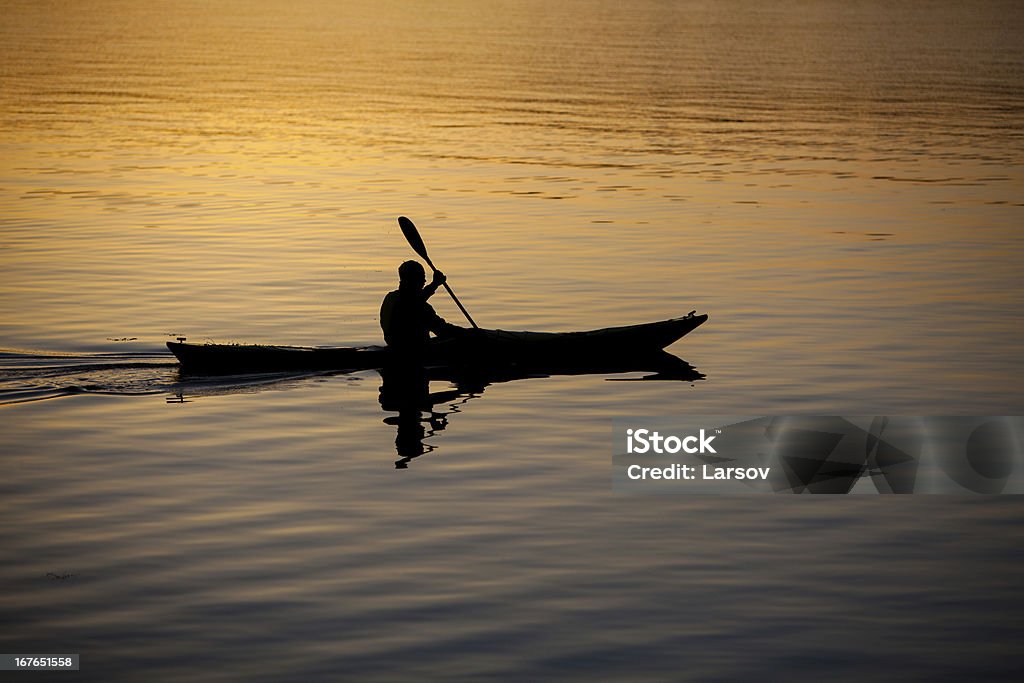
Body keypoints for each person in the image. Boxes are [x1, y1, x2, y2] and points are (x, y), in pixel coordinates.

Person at [380, 260, 463, 354]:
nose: (424, 281)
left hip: (395, 346)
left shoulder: (390, 298)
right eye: (422, 277)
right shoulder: (419, 307)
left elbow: (412, 300)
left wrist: (435, 284)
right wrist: (470, 334)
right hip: (415, 349)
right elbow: (442, 330)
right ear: (413, 280)